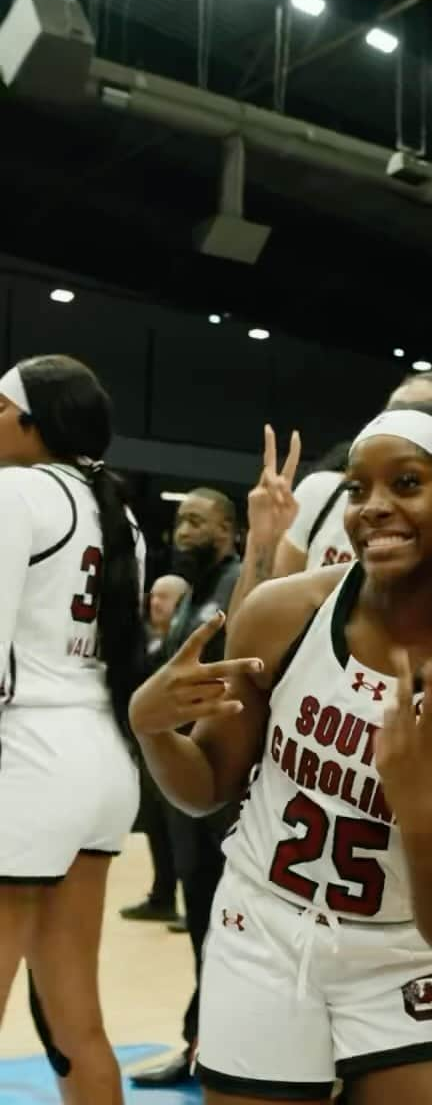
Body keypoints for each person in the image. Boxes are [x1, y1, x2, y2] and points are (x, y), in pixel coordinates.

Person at [130, 400, 432, 1105]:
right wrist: (150, 728)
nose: (372, 508)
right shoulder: (281, 613)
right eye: (359, 489)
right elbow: (207, 784)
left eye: (407, 484)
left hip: (404, 951)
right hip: (263, 928)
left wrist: (423, 819)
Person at [0, 354, 145, 1105]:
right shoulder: (116, 510)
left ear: (34, 423)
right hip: (103, 762)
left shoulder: (15, 491)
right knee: (73, 1019)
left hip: (27, 762)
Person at [131, 488, 242, 1090]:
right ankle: (198, 1043)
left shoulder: (238, 585)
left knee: (225, 926)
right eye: (179, 520)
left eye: (197, 521)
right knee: (198, 918)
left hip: (224, 779)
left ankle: (218, 1046)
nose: (183, 530)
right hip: (183, 774)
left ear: (228, 528)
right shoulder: (188, 594)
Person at [232, 367, 432, 608]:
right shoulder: (322, 491)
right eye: (394, 412)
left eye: (420, 417)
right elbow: (254, 632)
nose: (400, 424)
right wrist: (261, 543)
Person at [120, 574, 188, 924]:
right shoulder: (142, 642)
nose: (155, 603)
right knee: (155, 827)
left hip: (180, 745)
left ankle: (189, 905)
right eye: (153, 596)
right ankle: (161, 895)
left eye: (165, 598)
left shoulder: (186, 642)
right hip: (146, 748)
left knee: (183, 832)